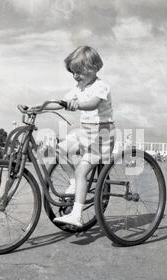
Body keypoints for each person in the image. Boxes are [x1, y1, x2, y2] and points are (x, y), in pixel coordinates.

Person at [53, 46, 115, 227]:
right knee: (58, 150)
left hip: (101, 135)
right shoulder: (79, 87)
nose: (76, 76)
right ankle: (73, 182)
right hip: (85, 132)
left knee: (82, 172)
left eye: (79, 72)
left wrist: (77, 105)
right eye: (73, 73)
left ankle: (77, 215)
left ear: (94, 68)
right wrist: (39, 108)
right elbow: (62, 103)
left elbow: (92, 104)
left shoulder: (101, 86)